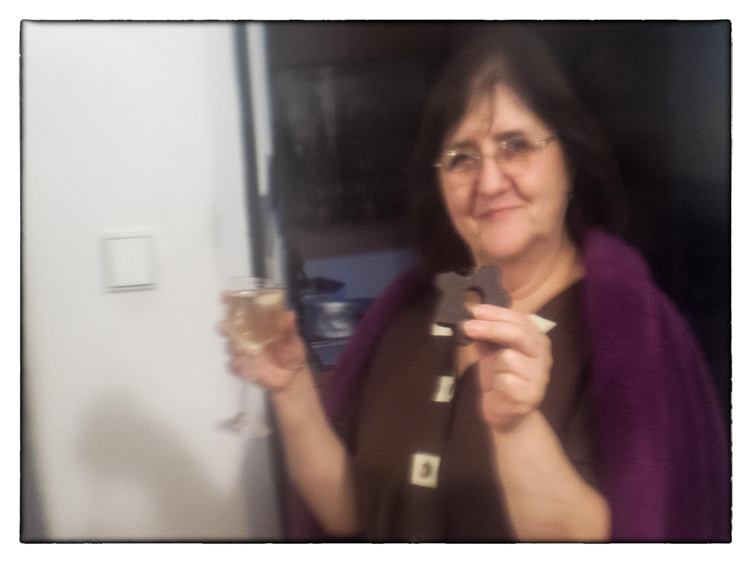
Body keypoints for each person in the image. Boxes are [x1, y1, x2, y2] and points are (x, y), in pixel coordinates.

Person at [220, 28, 729, 542]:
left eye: (516, 145)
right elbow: (354, 514)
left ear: (570, 163)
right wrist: (292, 389)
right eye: (462, 157)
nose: (488, 182)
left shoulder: (631, 334)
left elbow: (628, 537)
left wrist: (515, 426)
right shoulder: (410, 317)